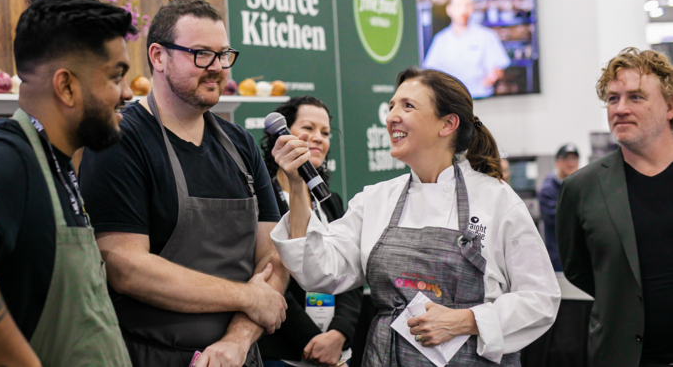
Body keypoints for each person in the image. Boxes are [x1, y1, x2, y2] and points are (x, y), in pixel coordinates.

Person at [271, 67, 560, 366]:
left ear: (447, 124)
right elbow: (318, 271)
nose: (391, 116)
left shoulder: (497, 200)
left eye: (408, 106)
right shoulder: (376, 200)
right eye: (392, 105)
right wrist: (296, 184)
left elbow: (540, 299)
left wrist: (467, 320)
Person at [79, 0, 288, 367]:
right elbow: (126, 267)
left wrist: (236, 342)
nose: (218, 69)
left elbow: (273, 257)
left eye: (224, 55)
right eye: (201, 55)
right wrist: (246, 296)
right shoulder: (121, 140)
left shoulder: (241, 145)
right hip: (151, 357)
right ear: (158, 57)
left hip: (239, 356)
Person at [0, 0, 135, 367]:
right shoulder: (6, 155)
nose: (128, 92)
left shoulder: (57, 162)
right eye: (116, 76)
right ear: (66, 86)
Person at [556, 48, 673, 367]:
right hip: (623, 358)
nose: (620, 109)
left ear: (670, 107)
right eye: (612, 99)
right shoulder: (581, 188)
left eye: (636, 97)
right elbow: (578, 268)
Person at [258, 96, 363, 367]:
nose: (317, 138)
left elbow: (351, 270)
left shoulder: (331, 201)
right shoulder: (260, 200)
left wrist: (339, 334)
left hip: (338, 352)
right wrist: (314, 341)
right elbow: (271, 276)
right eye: (308, 128)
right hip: (285, 353)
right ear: (282, 137)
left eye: (325, 133)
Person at [423, 0, 511, 99]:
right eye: (459, 5)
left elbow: (499, 67)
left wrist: (487, 82)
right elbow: (430, 71)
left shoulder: (487, 35)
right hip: (451, 101)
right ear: (449, 9)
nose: (463, 10)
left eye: (468, 5)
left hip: (481, 97)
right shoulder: (440, 39)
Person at [538, 144, 579, 272]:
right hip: (559, 255)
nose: (571, 163)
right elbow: (558, 220)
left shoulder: (579, 183)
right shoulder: (548, 189)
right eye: (566, 159)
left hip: (579, 253)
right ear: (557, 162)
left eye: (574, 159)